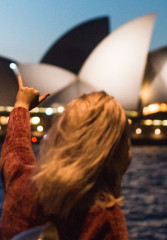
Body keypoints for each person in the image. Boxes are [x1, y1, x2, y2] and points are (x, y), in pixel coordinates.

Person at [0, 73, 131, 240]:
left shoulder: (21, 182)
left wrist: (21, 106)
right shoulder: (105, 219)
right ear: (117, 149)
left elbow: (15, 148)